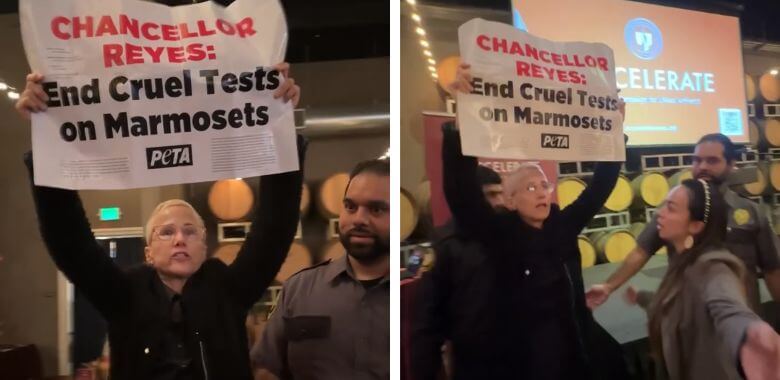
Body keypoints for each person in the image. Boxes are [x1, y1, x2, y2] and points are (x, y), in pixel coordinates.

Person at [16, 64, 303, 380]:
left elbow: (273, 231)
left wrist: (280, 126)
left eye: (189, 231)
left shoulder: (229, 291)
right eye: (166, 232)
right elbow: (69, 240)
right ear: (149, 251)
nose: (179, 238)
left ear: (204, 246)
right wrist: (47, 139)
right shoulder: (122, 295)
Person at [412, 63, 628, 379]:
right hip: (517, 364)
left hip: (570, 357)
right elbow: (461, 194)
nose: (542, 193)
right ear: (510, 201)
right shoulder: (496, 236)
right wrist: (461, 125)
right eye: (529, 187)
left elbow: (599, 189)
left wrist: (614, 132)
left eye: (544, 185)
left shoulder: (562, 228)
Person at [587, 134, 780, 313]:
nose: (702, 166)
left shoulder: (751, 212)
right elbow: (641, 251)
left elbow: (772, 268)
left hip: (743, 323)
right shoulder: (673, 211)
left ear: (731, 164)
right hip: (689, 322)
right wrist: (609, 286)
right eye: (696, 160)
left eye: (712, 161)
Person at [623, 179, 780, 379]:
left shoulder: (713, 268)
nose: (659, 213)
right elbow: (680, 304)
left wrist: (749, 333)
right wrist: (642, 297)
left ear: (696, 226)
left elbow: (728, 306)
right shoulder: (685, 262)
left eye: (670, 208)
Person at [253, 158, 390, 380]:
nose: (358, 219)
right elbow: (265, 366)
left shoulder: (413, 296)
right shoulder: (299, 288)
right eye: (350, 207)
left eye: (376, 209)